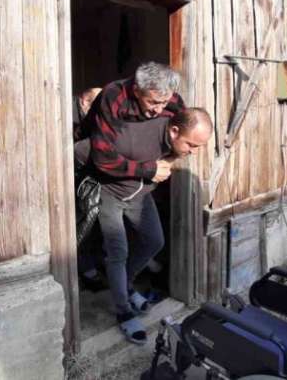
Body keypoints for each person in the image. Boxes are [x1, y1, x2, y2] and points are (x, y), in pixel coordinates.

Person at [87, 62, 212, 344]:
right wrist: (148, 169)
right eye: (153, 102)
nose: (158, 109)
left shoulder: (173, 110)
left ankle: (126, 285)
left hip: (139, 192)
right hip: (110, 189)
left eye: (164, 103)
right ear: (136, 90)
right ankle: (123, 311)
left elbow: (185, 132)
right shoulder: (114, 101)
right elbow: (101, 158)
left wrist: (167, 161)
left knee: (153, 241)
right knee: (117, 251)